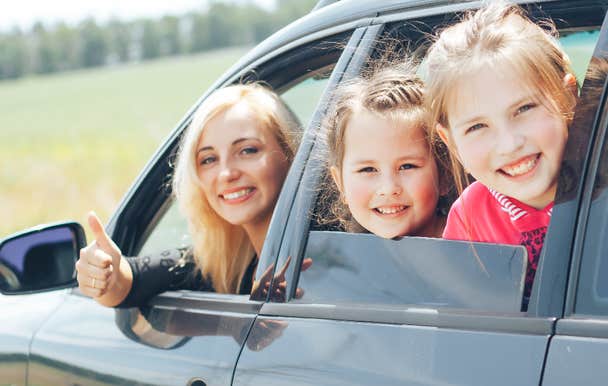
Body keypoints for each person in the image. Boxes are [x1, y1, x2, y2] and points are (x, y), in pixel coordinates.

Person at [76, 83, 305, 307]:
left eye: (247, 150)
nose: (226, 173)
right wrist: (106, 274)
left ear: (291, 153)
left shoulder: (326, 250)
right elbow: (134, 281)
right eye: (208, 159)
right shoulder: (228, 264)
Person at [423, 1, 578, 305]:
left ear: (569, 97)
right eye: (477, 127)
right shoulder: (469, 218)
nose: (509, 144)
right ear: (450, 140)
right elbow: (463, 314)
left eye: (525, 108)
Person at [320, 63, 453, 239]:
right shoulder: (341, 259)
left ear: (443, 174)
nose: (389, 188)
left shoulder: (476, 243)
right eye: (367, 169)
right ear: (340, 183)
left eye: (407, 166)